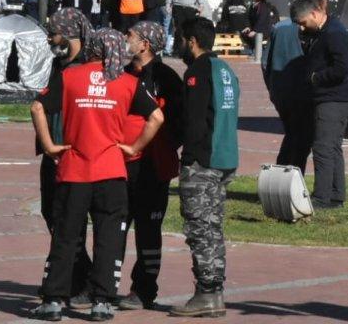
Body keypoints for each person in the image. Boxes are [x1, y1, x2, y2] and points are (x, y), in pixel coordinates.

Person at [30, 28, 164, 322]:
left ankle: (53, 300)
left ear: (91, 47)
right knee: (108, 239)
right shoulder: (127, 82)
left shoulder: (68, 77)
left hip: (73, 170)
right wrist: (133, 147)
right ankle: (102, 302)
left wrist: (50, 145)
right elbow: (157, 116)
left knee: (65, 236)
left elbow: (38, 106)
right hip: (111, 171)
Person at [172, 17, 240, 318]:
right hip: (226, 157)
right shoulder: (226, 70)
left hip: (204, 160)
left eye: (181, 38)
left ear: (192, 40)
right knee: (212, 228)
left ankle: (207, 293)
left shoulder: (197, 72)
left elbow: (195, 119)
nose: (179, 44)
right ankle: (214, 291)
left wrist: (187, 156)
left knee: (199, 228)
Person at [117, 21, 184, 311]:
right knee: (115, 226)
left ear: (144, 44)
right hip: (121, 164)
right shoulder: (121, 73)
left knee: (148, 228)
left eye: (129, 35)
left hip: (154, 165)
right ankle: (103, 285)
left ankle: (144, 289)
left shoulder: (166, 77)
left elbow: (180, 120)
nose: (124, 39)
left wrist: (164, 145)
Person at [37, 8, 94, 306]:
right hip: (53, 151)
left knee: (70, 220)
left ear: (69, 33)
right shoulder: (58, 64)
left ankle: (81, 278)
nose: (49, 37)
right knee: (52, 215)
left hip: (74, 152)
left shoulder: (86, 66)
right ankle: (74, 273)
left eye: (53, 31)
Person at [290, 0, 348, 210]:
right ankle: (335, 195)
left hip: (332, 99)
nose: (303, 29)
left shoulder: (334, 33)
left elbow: (343, 68)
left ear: (315, 13)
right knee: (332, 147)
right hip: (326, 97)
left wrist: (317, 78)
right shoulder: (322, 32)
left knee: (323, 147)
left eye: (304, 23)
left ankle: (322, 198)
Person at [262, 16, 312, 174]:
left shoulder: (278, 28)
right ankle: (293, 178)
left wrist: (271, 87)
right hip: (300, 90)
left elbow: (265, 63)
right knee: (301, 137)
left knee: (291, 133)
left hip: (279, 89)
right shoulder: (307, 28)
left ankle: (281, 174)